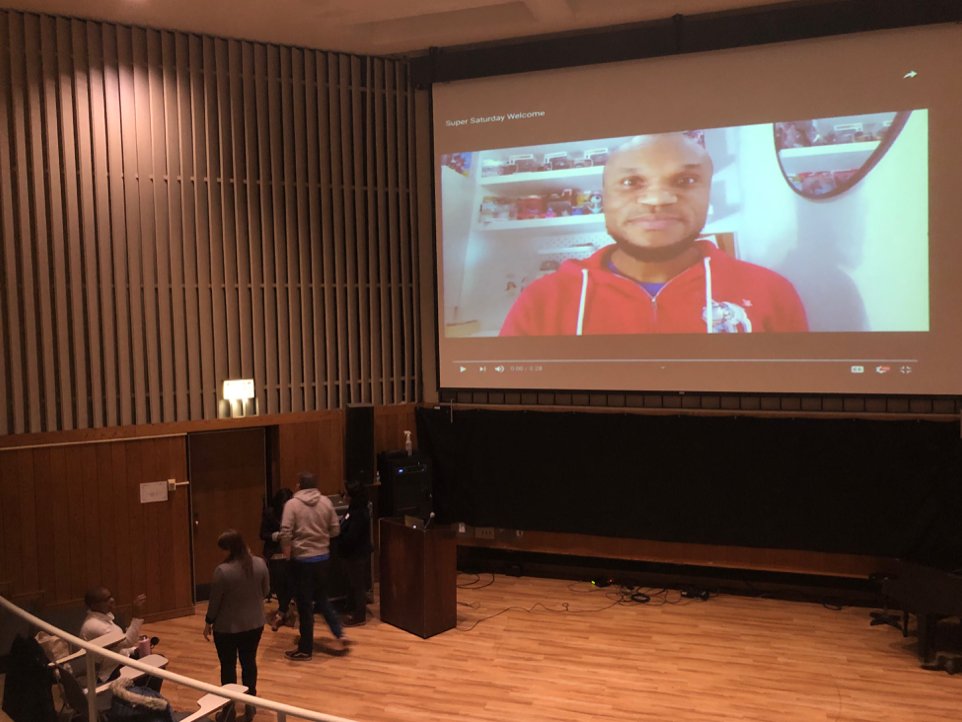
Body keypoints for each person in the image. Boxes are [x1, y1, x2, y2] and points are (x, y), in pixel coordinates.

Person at [500, 132, 808, 335]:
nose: (658, 200)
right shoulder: (542, 301)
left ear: (708, 193)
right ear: (603, 198)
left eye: (686, 181)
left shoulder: (771, 293)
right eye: (632, 182)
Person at [279, 471, 346, 660]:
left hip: (302, 562)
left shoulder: (292, 505)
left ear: (299, 486)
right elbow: (335, 530)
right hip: (323, 559)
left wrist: (287, 553)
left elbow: (285, 532)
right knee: (323, 599)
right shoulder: (325, 502)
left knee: (305, 606)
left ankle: (305, 649)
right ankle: (339, 634)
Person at [203, 529, 269, 721]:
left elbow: (215, 602)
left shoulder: (222, 571)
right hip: (255, 624)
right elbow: (265, 591)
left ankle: (229, 709)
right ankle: (250, 706)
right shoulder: (260, 564)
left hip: (227, 629)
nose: (220, 554)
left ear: (230, 549)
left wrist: (208, 622)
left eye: (222, 550)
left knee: (228, 667)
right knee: (249, 664)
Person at [80, 586, 149, 683]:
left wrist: (133, 651)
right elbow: (128, 641)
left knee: (153, 659)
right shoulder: (96, 625)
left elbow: (114, 648)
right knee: (154, 671)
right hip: (108, 673)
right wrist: (137, 614)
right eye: (106, 600)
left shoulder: (102, 616)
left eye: (111, 596)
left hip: (115, 661)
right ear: (93, 605)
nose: (112, 600)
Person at [334, 480, 373, 627]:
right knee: (353, 583)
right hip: (351, 555)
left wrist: (338, 535)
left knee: (358, 585)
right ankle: (352, 608)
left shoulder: (360, 513)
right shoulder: (353, 509)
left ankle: (359, 616)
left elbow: (352, 537)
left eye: (346, 494)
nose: (344, 496)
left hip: (357, 555)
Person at [260, 487, 295, 631]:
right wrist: (276, 535)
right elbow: (262, 534)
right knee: (279, 581)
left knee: (289, 580)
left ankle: (281, 612)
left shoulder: (295, 513)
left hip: (291, 551)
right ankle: (283, 611)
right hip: (275, 550)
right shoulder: (270, 513)